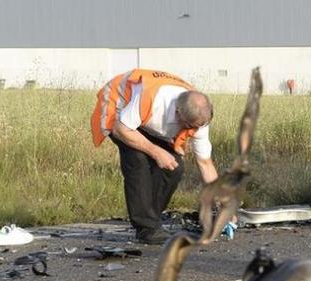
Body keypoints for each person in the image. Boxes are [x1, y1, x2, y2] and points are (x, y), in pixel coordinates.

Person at [91, 69, 219, 244]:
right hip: (121, 111)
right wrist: (157, 152)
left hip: (147, 122)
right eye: (189, 126)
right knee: (137, 160)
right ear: (178, 113)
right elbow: (121, 130)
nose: (192, 131)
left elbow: (205, 164)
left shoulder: (198, 116)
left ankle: (151, 219)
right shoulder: (152, 99)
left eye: (196, 127)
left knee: (175, 167)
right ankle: (147, 229)